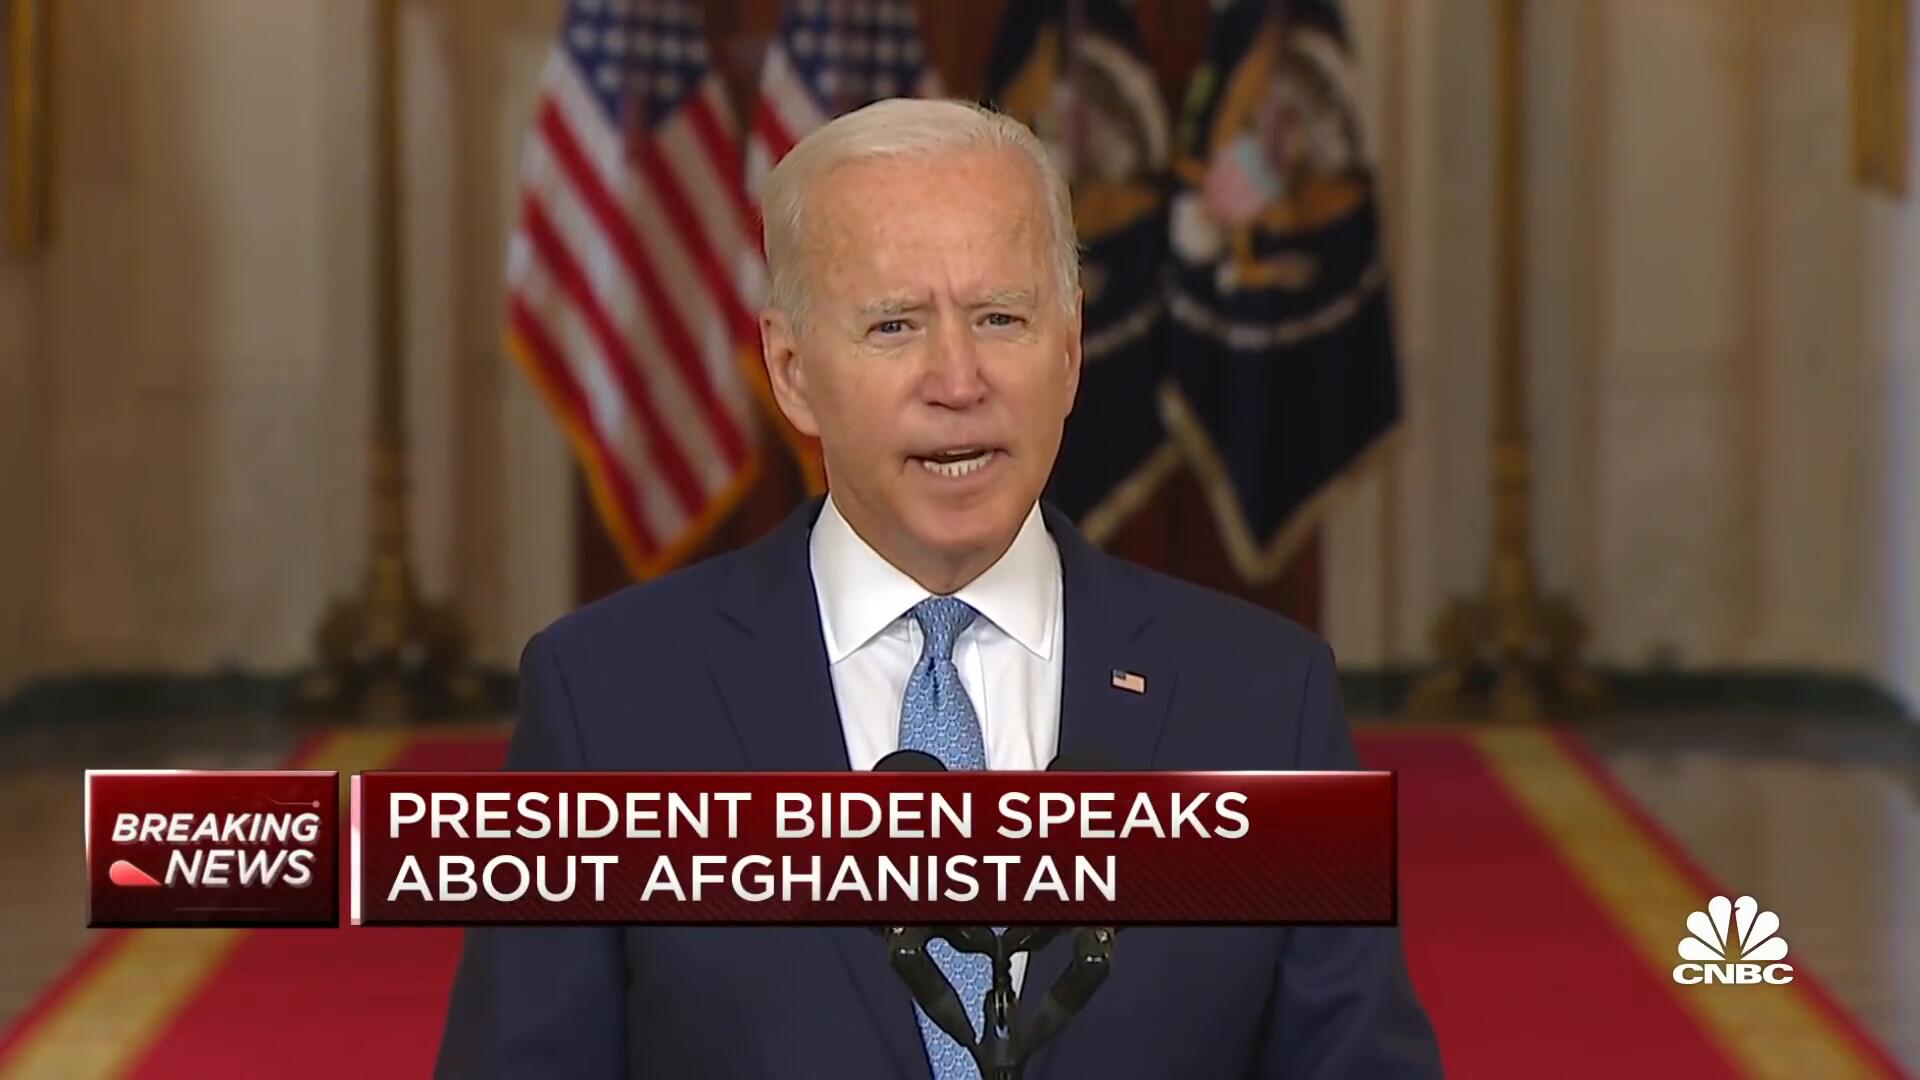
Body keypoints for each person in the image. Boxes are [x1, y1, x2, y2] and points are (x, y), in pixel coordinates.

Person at [437, 98, 1439, 1079]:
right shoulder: (608, 703)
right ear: (791, 370)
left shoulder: (1267, 703)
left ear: (1069, 351)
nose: (958, 380)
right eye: (894, 326)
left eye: (1001, 318)